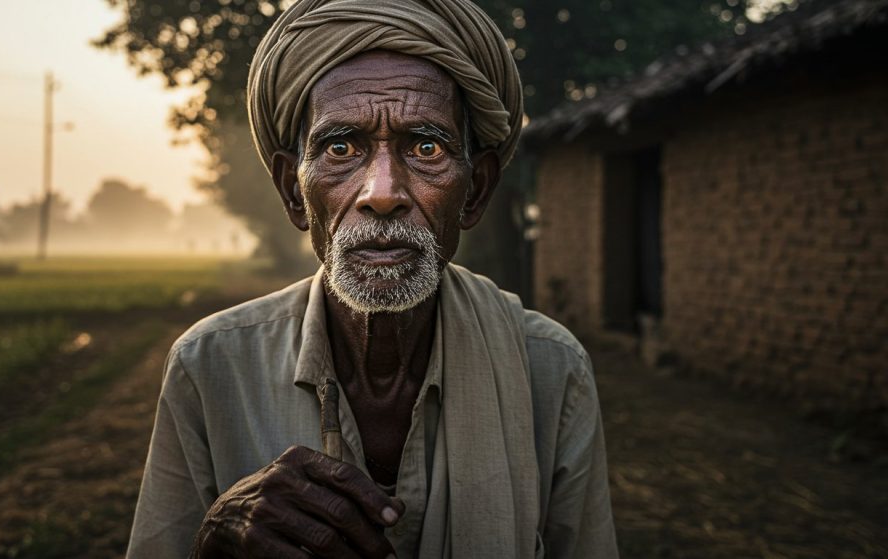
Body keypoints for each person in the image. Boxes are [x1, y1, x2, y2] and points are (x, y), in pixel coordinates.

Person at [127, 0, 618, 557]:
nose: (382, 194)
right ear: (293, 192)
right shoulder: (209, 366)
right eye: (341, 147)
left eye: (426, 147)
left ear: (475, 191)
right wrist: (213, 541)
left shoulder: (551, 370)